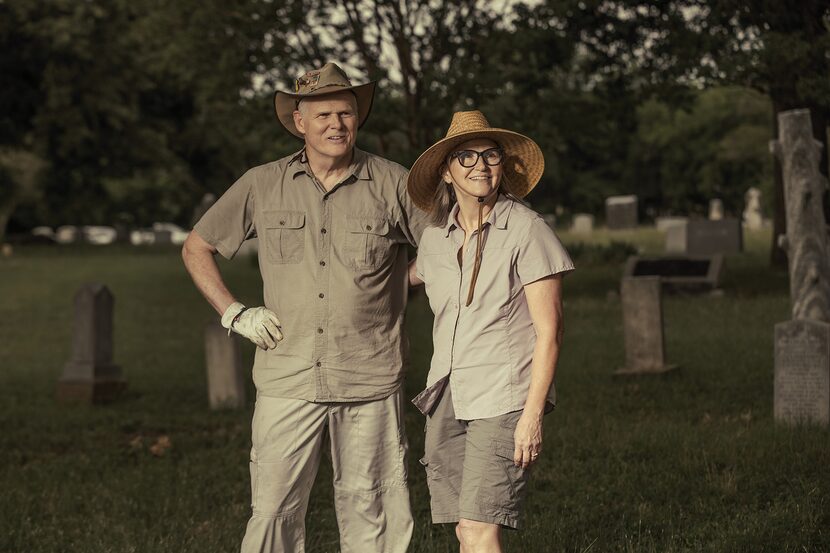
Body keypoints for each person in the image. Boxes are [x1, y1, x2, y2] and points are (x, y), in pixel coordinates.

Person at [182, 62, 429, 553]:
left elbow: (446, 248)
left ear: (357, 120)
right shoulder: (262, 183)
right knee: (273, 509)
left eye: (346, 113)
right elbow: (197, 247)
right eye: (323, 116)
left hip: (369, 374)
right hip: (286, 374)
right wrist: (235, 312)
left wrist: (399, 281)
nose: (336, 124)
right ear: (299, 122)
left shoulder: (393, 181)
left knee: (373, 506)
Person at [406, 110, 574, 552]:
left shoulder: (527, 230)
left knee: (481, 528)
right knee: (465, 528)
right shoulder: (435, 239)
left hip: (504, 398)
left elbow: (550, 331)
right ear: (445, 171)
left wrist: (531, 417)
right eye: (466, 156)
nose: (480, 165)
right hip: (447, 393)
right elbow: (393, 283)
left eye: (490, 155)